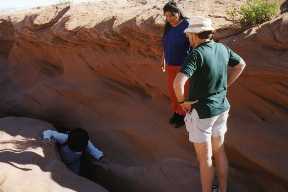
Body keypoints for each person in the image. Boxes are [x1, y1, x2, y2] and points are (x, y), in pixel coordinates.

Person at [173, 16, 246, 192]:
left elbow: (178, 83)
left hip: (203, 113)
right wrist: (225, 85)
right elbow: (241, 64)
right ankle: (222, 189)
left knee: (205, 159)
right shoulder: (222, 48)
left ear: (195, 35)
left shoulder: (196, 54)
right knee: (219, 152)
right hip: (221, 108)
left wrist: (183, 102)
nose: (188, 37)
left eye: (189, 34)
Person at [162, 1, 190, 128]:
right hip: (170, 65)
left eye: (172, 15)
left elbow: (194, 45)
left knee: (182, 92)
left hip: (182, 66)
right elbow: (165, 44)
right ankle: (177, 112)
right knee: (173, 92)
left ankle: (185, 116)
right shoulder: (168, 26)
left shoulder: (187, 25)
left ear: (178, 13)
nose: (169, 19)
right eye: (166, 16)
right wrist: (163, 60)